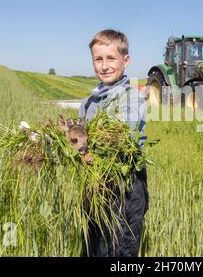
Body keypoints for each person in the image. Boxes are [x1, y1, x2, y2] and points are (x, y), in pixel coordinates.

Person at [78, 29, 148, 257]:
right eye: (98, 59)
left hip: (125, 192)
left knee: (120, 252)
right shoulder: (88, 103)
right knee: (92, 250)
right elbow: (77, 140)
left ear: (125, 61)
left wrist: (89, 150)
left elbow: (122, 138)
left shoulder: (132, 98)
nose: (104, 65)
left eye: (111, 58)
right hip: (93, 192)